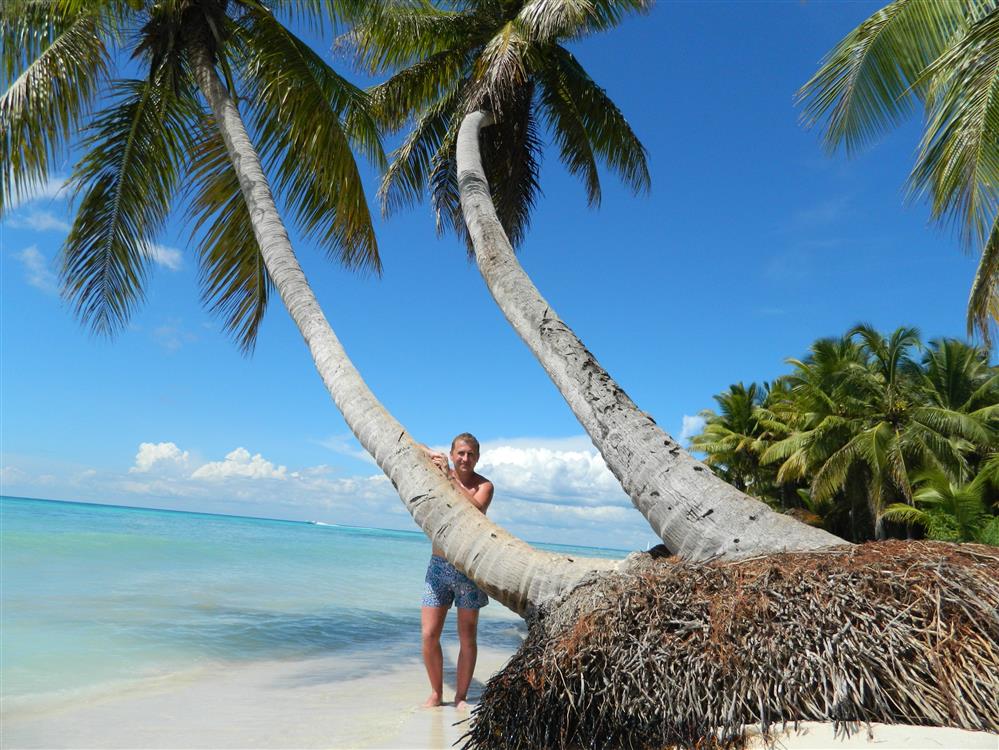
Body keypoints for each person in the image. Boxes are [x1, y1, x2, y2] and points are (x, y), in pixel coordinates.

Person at [420, 433, 494, 710]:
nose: (465, 458)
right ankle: (436, 693)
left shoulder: (484, 486)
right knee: (429, 635)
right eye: (460, 453)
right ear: (452, 454)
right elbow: (414, 447)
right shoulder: (441, 472)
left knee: (467, 637)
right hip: (438, 567)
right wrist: (429, 453)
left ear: (477, 457)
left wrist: (450, 477)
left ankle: (461, 696)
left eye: (470, 454)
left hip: (468, 569)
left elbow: (476, 509)